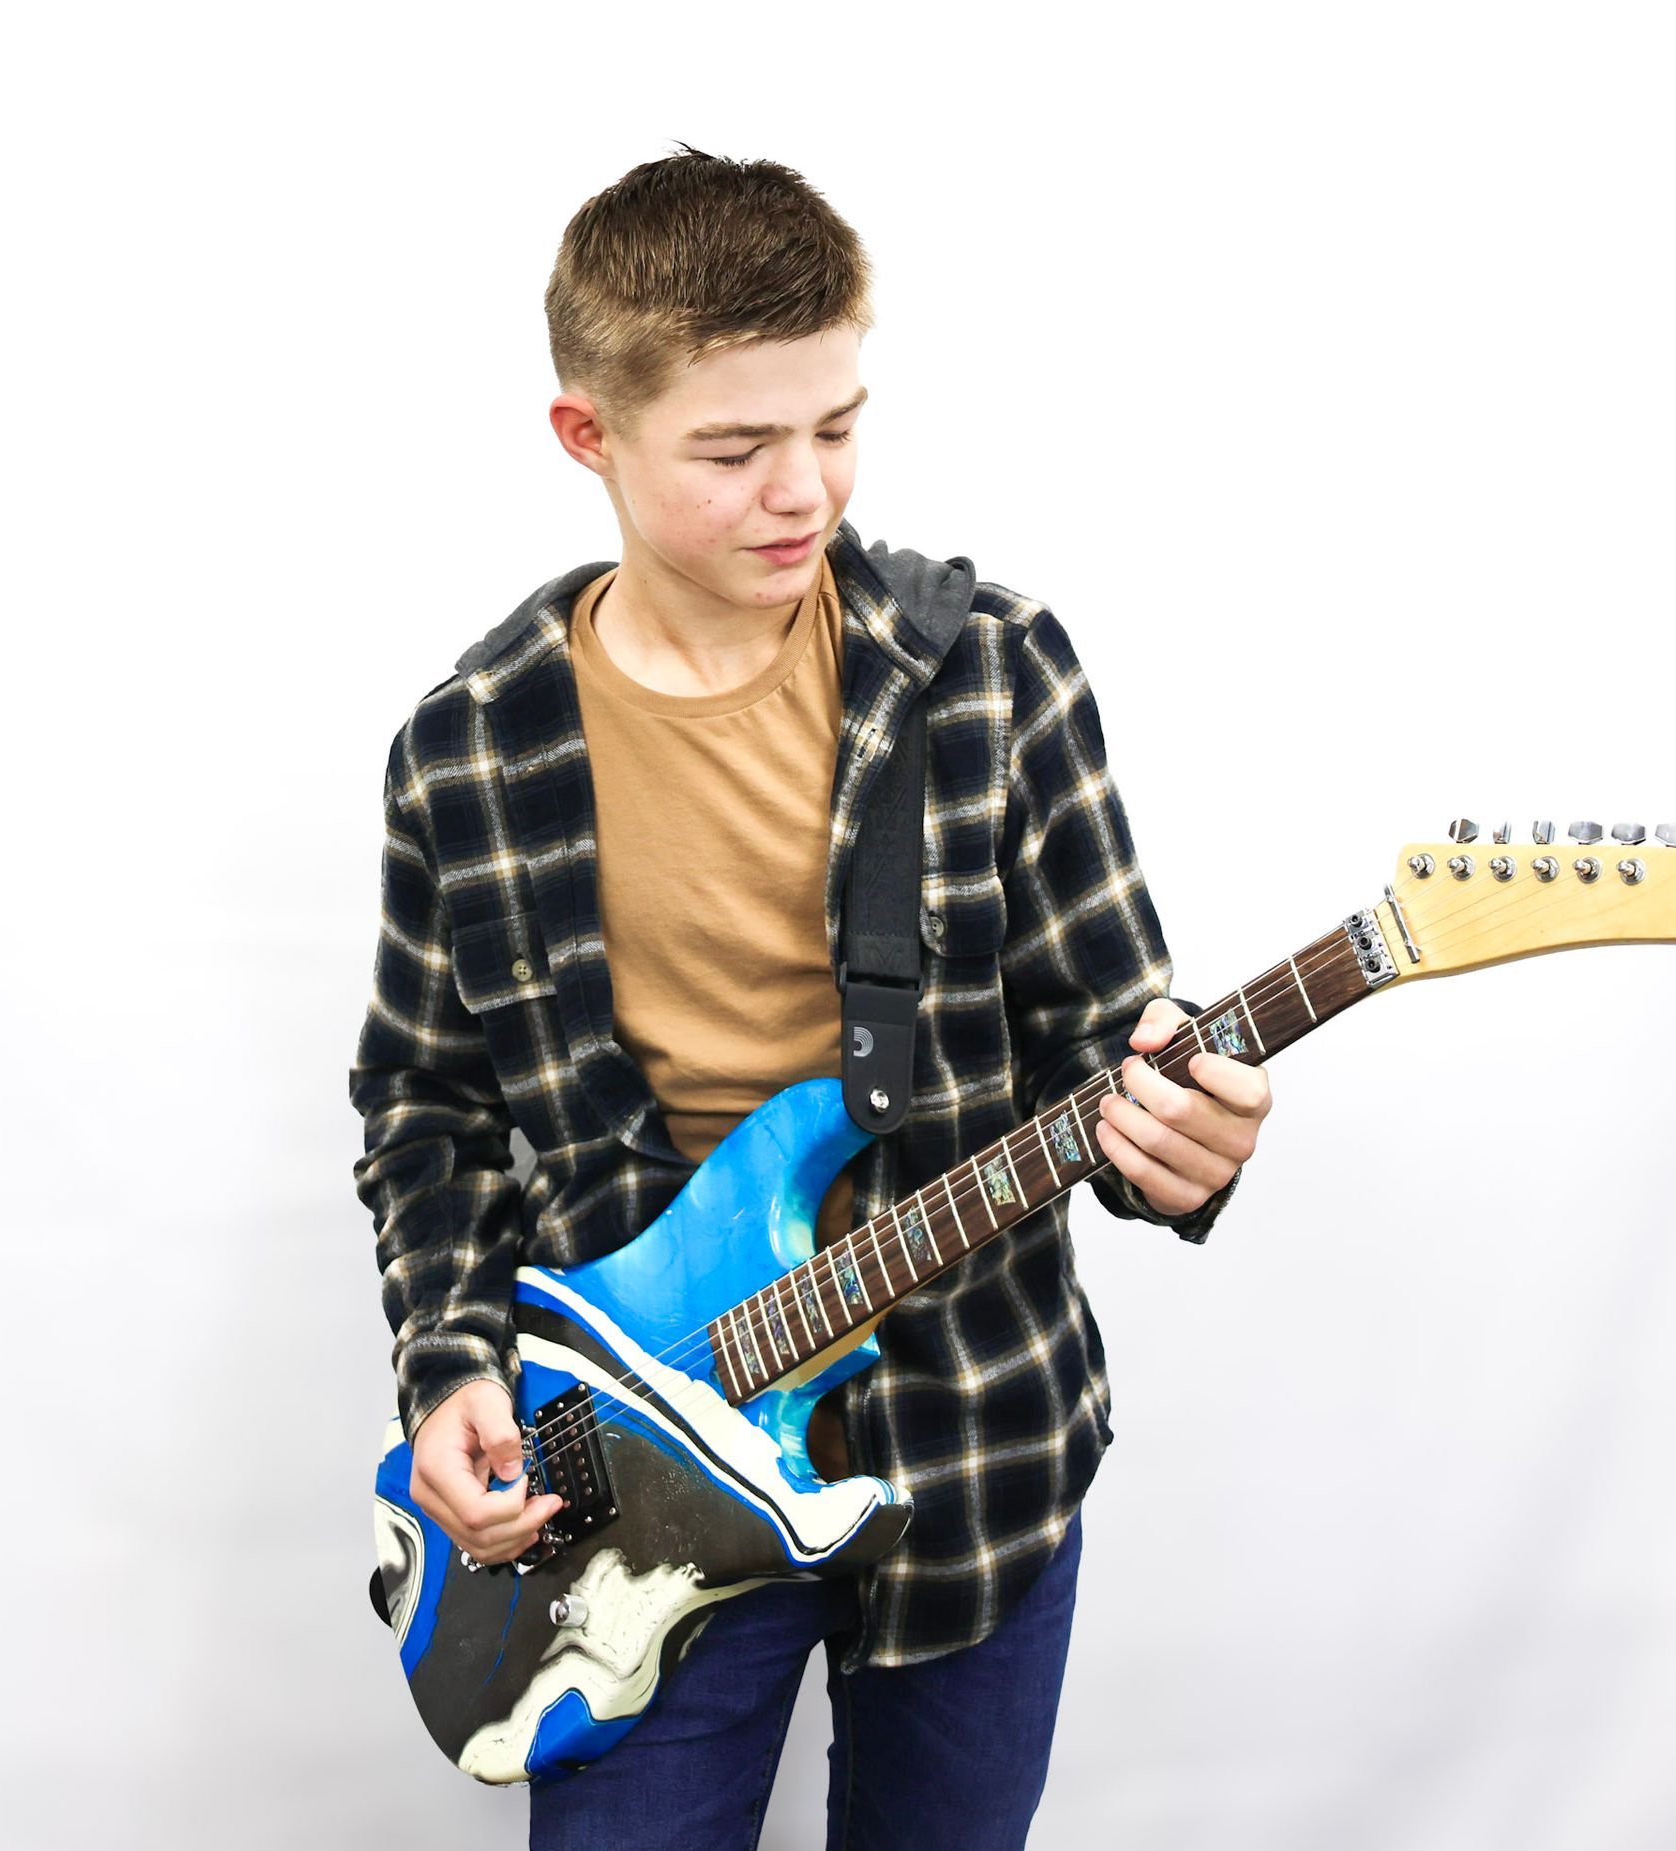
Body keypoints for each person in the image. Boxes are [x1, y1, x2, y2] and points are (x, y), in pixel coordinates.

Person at [349, 143, 1272, 1851]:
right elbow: (426, 1104)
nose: (806, 490)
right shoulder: (469, 750)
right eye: (737, 447)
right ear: (588, 436)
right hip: (621, 1474)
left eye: (837, 427)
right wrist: (450, 1364)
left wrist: (1183, 1137)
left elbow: (1109, 1036)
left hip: (971, 1440)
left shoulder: (986, 669)